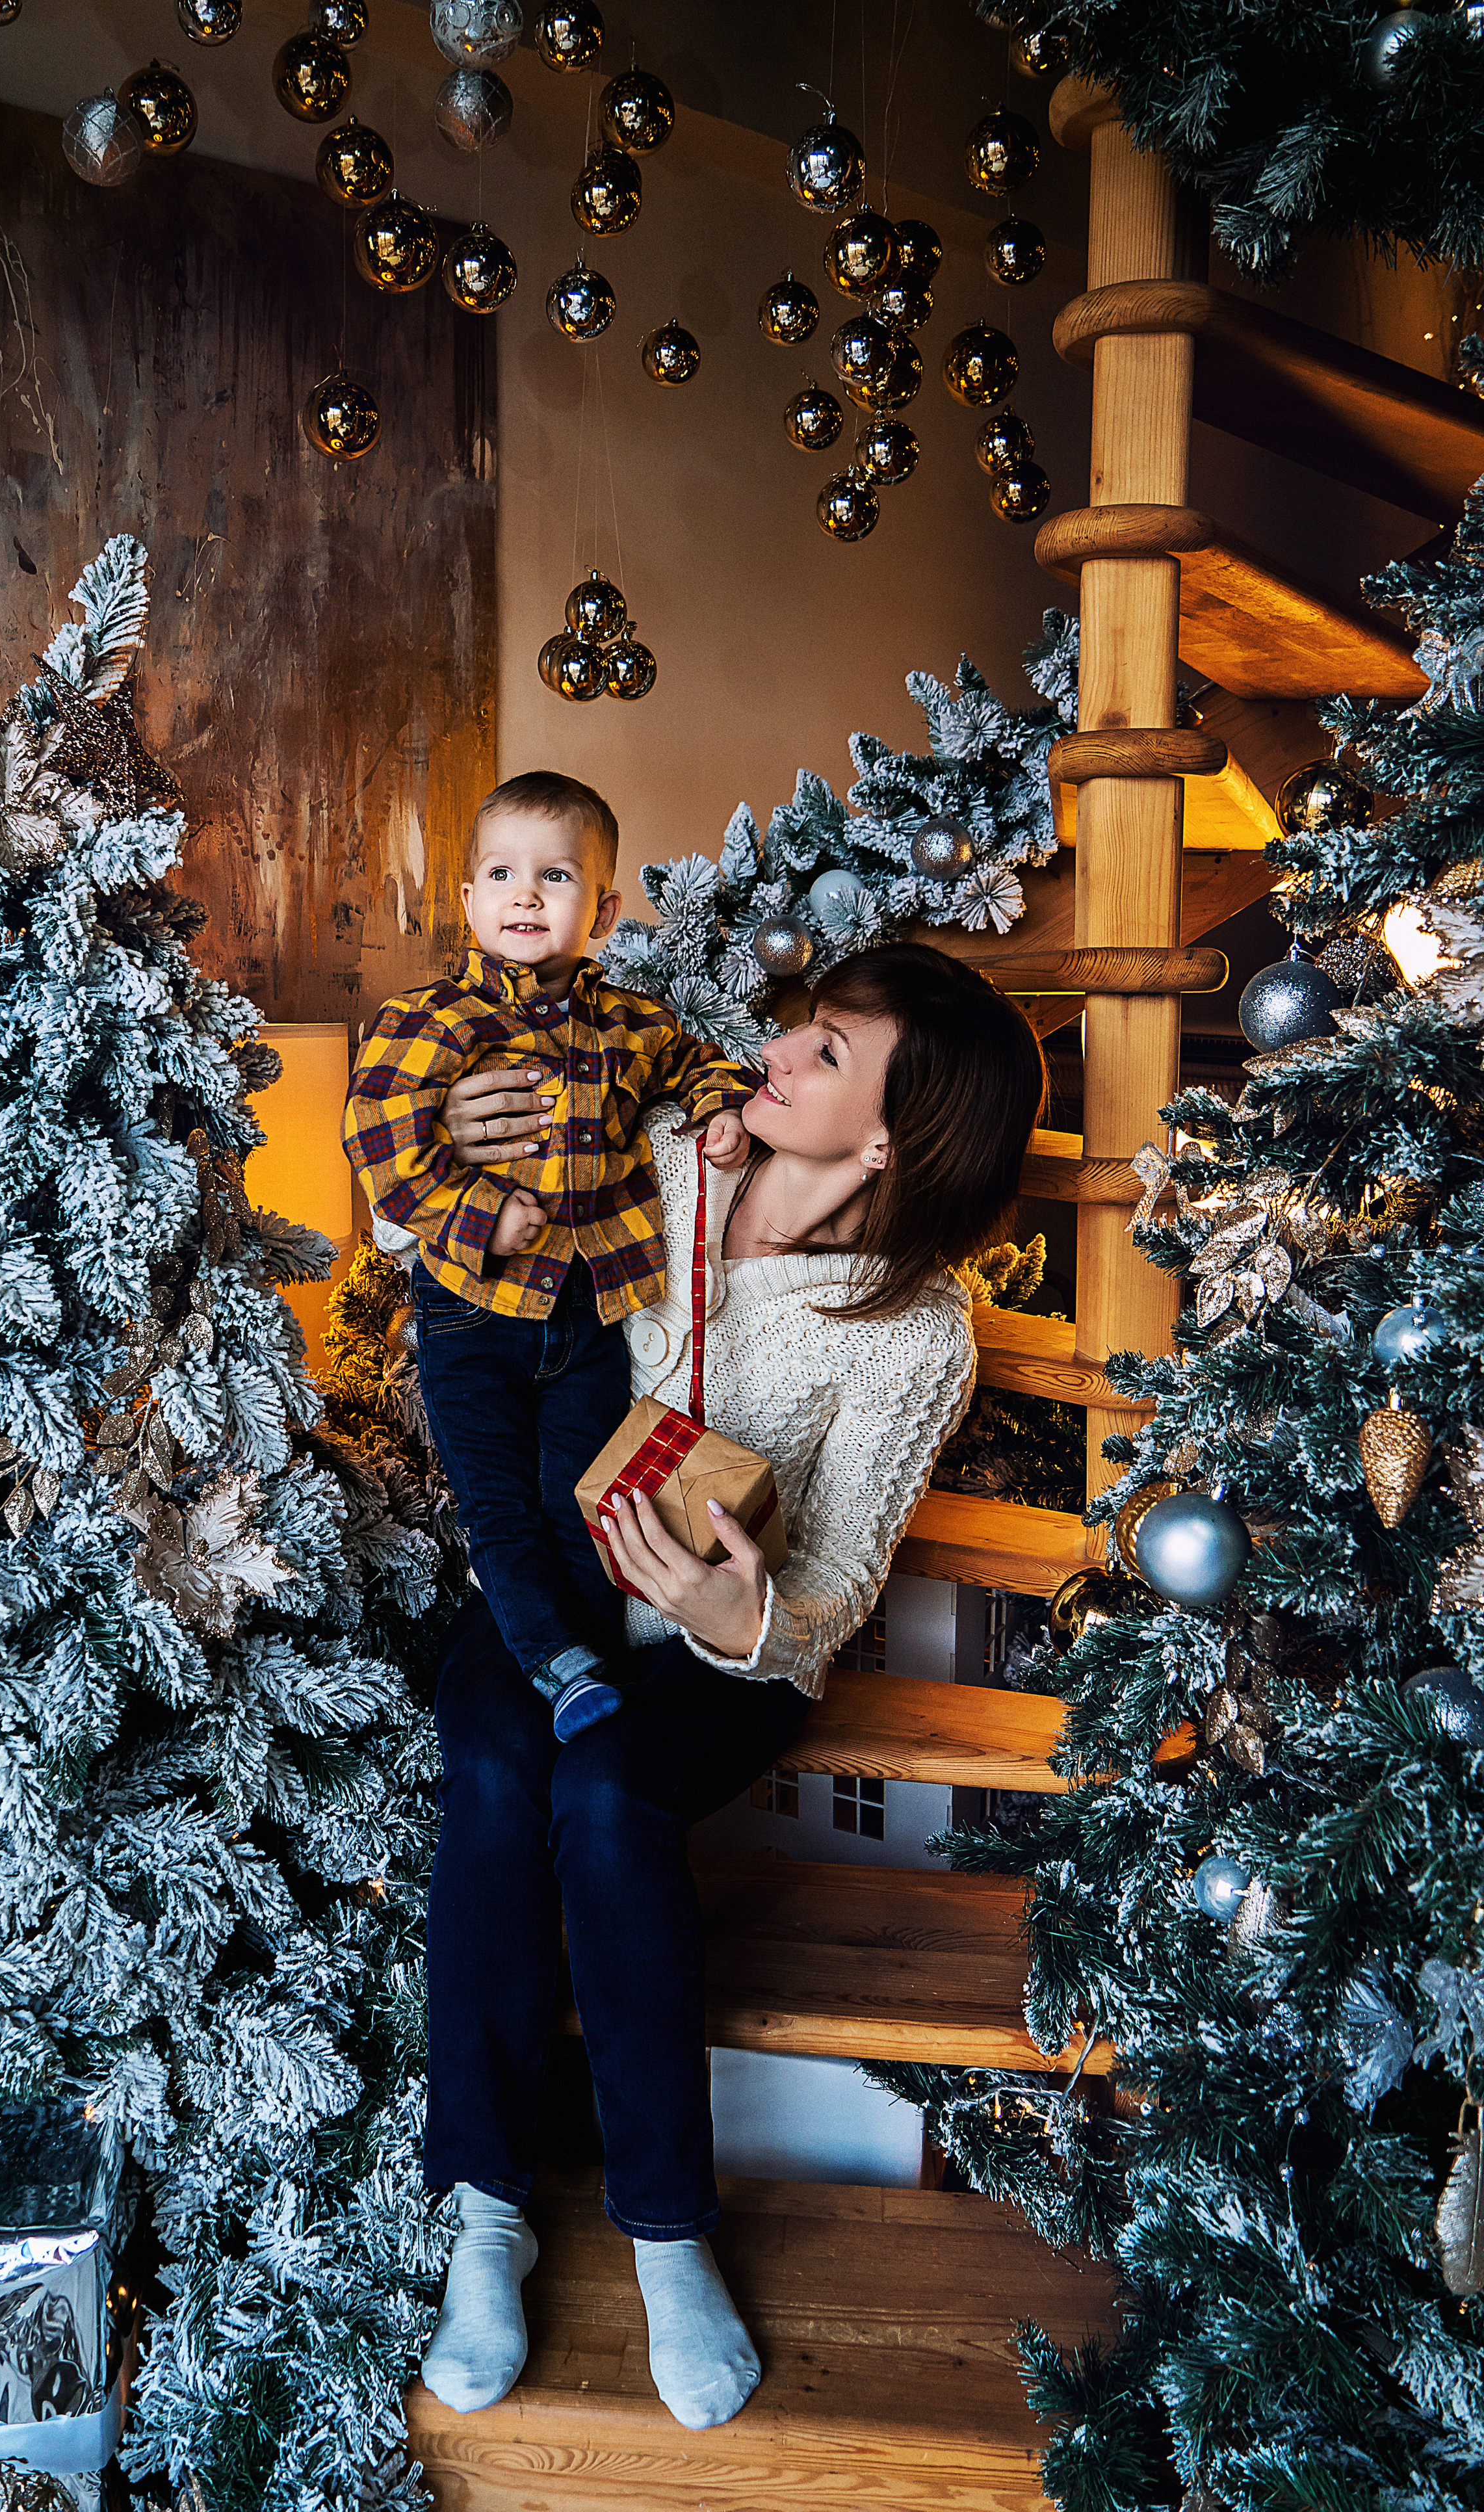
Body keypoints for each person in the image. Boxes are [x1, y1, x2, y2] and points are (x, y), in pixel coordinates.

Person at [415, 939, 1048, 2435]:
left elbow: (830, 1597)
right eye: (802, 1025)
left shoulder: (914, 1329)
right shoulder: (658, 1160)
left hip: (727, 1651)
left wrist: (733, 1613)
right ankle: (484, 2214)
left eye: (826, 1049)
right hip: (550, 1598)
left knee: (613, 1791)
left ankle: (664, 2230)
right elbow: (476, 1247)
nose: (779, 1051)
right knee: (505, 1766)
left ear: (890, 1134)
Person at [342, 770, 757, 1742]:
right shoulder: (432, 1021)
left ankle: (595, 1663)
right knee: (496, 1505)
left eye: (557, 876)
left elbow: (704, 1061)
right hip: (470, 1315)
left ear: (603, 910)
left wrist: (720, 1108)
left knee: (584, 1498)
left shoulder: (631, 1023)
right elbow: (379, 1138)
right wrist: (477, 1215)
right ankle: (553, 1660)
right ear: (470, 901)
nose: (527, 895)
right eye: (502, 873)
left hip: (589, 1311)